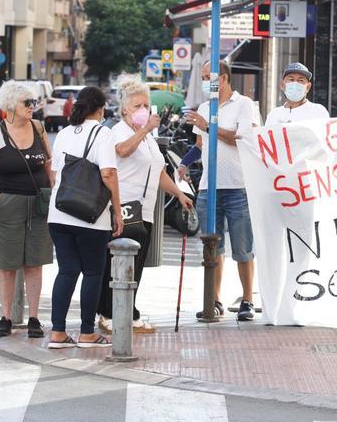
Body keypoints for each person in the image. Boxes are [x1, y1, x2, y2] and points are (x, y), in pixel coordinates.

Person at [97, 74, 193, 334]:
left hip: (146, 208)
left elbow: (159, 171)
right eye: (137, 105)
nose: (143, 110)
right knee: (118, 262)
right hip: (124, 205)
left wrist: (180, 193)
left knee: (136, 264)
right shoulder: (118, 130)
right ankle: (108, 313)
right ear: (125, 108)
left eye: (145, 105)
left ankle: (127, 310)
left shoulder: (148, 137)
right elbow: (123, 151)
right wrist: (145, 129)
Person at [47, 86, 123, 349]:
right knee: (92, 272)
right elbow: (109, 175)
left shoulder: (64, 133)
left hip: (58, 214)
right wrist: (117, 210)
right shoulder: (104, 133)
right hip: (90, 216)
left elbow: (54, 174)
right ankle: (87, 333)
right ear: (101, 109)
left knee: (67, 270)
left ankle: (57, 332)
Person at [184, 60, 259, 321]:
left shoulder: (244, 105)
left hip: (238, 185)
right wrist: (184, 164)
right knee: (212, 248)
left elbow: (241, 138)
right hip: (208, 187)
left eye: (209, 77)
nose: (206, 82)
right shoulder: (205, 107)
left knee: (242, 247)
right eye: (203, 77)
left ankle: (248, 299)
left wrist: (208, 126)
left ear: (224, 78)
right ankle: (213, 299)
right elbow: (200, 143)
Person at [0, 81, 54, 339]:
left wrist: (53, 191)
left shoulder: (38, 128)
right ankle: (6, 317)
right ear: (11, 106)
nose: (32, 107)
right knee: (7, 263)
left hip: (38, 203)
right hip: (7, 203)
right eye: (27, 103)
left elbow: (48, 164)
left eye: (33, 102)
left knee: (35, 262)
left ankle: (34, 318)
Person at [265, 63, 329, 125]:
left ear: (308, 87)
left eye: (301, 80)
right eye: (291, 79)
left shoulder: (318, 112)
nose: (295, 84)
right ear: (282, 85)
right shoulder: (274, 115)